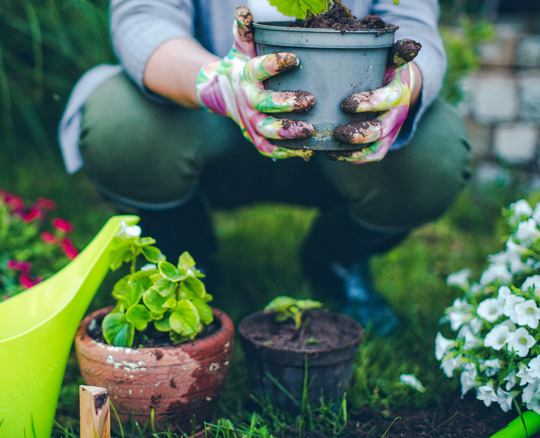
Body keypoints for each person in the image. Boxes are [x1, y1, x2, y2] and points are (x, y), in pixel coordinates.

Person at [58, 0, 471, 335]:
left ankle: (337, 255)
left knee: (435, 154)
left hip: (342, 131)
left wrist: (405, 87)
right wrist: (216, 83)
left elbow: (414, 23)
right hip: (208, 121)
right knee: (121, 123)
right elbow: (145, 19)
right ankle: (186, 250)